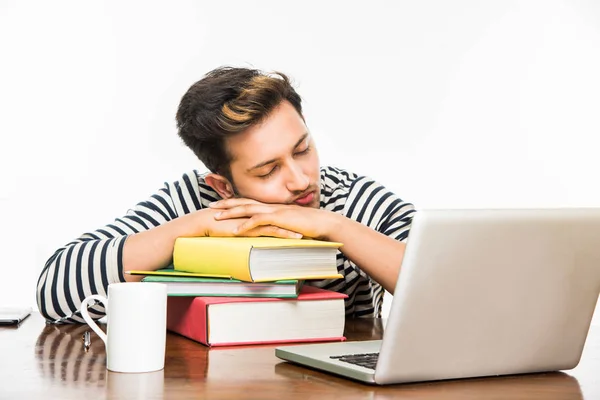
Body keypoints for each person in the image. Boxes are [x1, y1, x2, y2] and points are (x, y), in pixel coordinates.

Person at [36, 67, 416, 323]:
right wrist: (199, 226)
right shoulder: (189, 203)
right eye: (268, 170)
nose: (300, 180)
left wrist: (336, 227)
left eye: (302, 150)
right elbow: (54, 291)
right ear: (222, 185)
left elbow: (456, 292)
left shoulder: (351, 199)